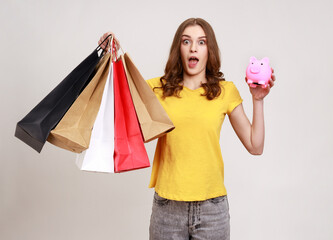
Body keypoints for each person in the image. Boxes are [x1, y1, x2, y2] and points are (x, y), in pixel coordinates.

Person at [98, 18, 275, 240]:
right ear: (178, 49)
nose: (193, 47)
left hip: (213, 210)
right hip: (168, 209)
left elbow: (255, 146)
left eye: (201, 42)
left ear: (209, 50)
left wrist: (257, 100)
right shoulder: (157, 88)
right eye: (186, 41)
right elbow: (119, 110)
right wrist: (109, 60)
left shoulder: (225, 91)